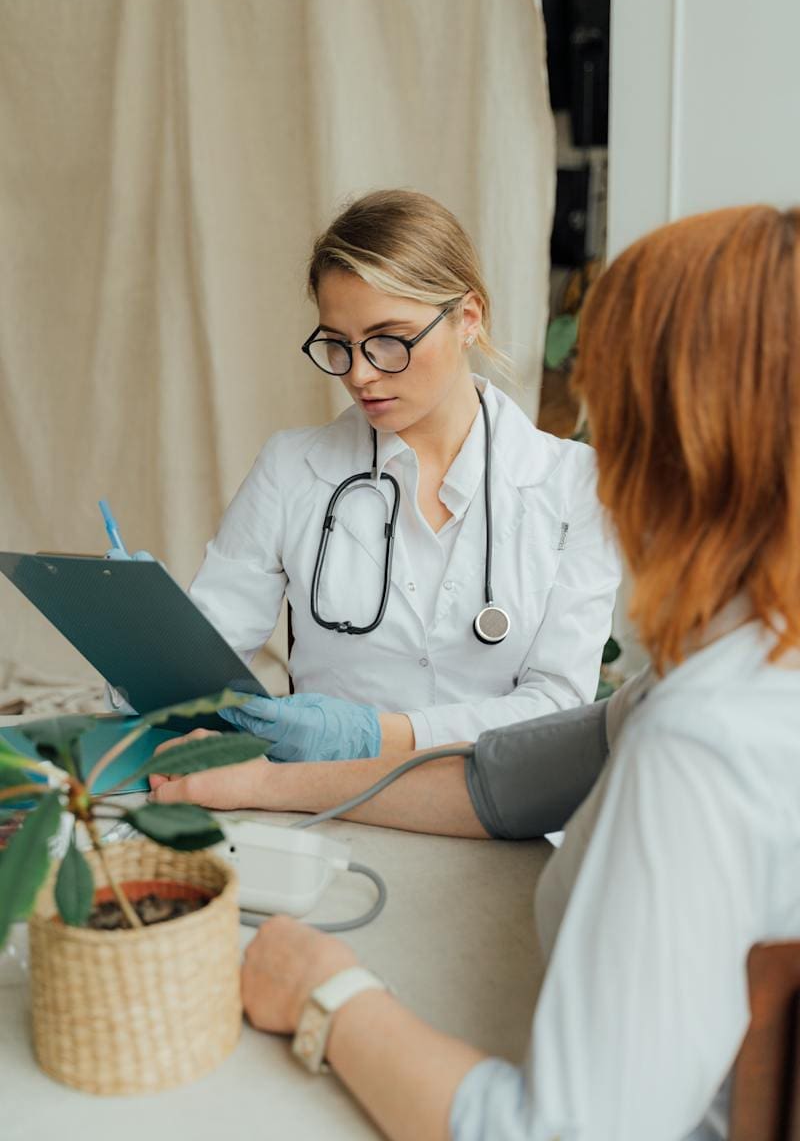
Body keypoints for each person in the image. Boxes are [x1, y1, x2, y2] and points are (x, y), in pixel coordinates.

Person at [155, 204, 800, 1140]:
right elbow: (508, 781)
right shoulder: (730, 668)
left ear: (682, 443)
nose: (595, 449)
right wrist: (272, 779)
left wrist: (326, 993)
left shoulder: (701, 743)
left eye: (608, 411)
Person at [187, 189, 620, 761]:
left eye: (388, 340)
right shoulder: (292, 469)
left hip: (494, 812)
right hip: (323, 806)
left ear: (467, 318)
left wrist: (379, 735)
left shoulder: (574, 484)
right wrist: (151, 648)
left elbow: (558, 706)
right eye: (338, 345)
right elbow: (197, 668)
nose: (360, 373)